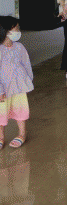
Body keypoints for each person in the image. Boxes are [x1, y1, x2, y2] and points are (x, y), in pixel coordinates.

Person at [0, 16, 33, 148]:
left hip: (19, 87)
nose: (19, 31)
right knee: (1, 112)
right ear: (6, 31)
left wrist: (28, 81)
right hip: (3, 90)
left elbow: (26, 64)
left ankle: (22, 134)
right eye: (16, 28)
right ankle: (1, 137)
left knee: (20, 110)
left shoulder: (19, 47)